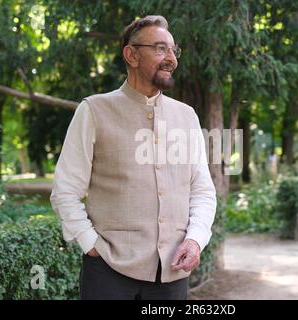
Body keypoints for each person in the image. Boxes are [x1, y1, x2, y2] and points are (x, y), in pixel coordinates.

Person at [50, 15, 217, 300]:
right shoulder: (94, 110)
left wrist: (195, 239)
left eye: (173, 51)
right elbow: (65, 190)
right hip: (108, 273)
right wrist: (90, 244)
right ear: (132, 55)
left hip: (172, 274)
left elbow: (202, 190)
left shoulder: (186, 116)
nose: (171, 59)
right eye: (160, 48)